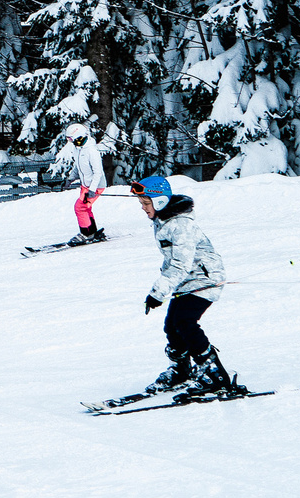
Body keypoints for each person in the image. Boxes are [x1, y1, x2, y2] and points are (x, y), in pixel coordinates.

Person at [133, 175, 238, 399]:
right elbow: (171, 260)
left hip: (205, 279)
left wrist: (157, 292)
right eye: (141, 203)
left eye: (145, 203)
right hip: (187, 281)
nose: (142, 208)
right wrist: (164, 284)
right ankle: (182, 371)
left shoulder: (181, 225)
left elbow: (181, 264)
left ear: (160, 202)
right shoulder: (163, 221)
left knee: (185, 322)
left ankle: (216, 377)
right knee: (172, 325)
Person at [57, 122, 109, 246]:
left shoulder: (92, 151)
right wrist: (70, 179)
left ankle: (86, 234)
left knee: (80, 207)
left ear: (78, 137)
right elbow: (78, 167)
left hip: (96, 185)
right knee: (86, 208)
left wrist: (92, 190)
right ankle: (92, 231)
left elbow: (98, 173)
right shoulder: (78, 149)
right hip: (86, 185)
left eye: (71, 139)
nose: (70, 142)